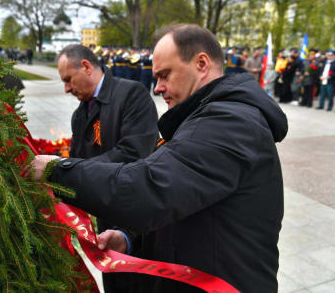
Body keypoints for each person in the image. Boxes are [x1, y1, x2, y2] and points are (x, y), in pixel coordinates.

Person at [31, 24, 288, 293]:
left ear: (201, 64)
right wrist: (129, 238)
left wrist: (57, 170)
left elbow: (150, 188)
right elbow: (184, 202)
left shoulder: (228, 122)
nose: (157, 88)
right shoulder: (204, 118)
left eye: (165, 75)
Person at [56, 44, 159, 292]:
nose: (67, 89)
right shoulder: (80, 114)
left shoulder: (132, 95)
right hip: (106, 226)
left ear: (86, 66)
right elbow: (77, 162)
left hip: (138, 224)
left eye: (69, 79)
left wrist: (70, 169)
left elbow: (134, 152)